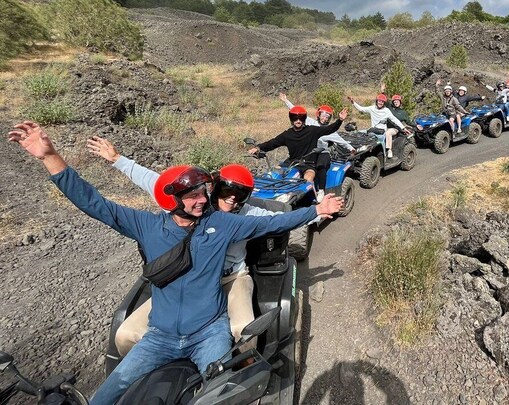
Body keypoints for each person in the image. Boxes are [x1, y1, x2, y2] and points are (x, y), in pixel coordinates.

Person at [8, 121, 343, 405]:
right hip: (159, 337)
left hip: (208, 333)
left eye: (204, 193)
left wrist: (316, 210)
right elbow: (95, 203)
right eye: (195, 196)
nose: (203, 201)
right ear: (173, 201)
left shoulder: (222, 225)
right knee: (104, 399)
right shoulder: (148, 226)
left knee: (228, 394)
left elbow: (273, 224)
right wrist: (51, 157)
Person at [86, 136, 296, 354]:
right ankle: (141, 380)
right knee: (125, 334)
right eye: (226, 190)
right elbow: (153, 181)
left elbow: (278, 218)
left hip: (231, 278)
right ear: (214, 187)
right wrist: (118, 159)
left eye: (241, 194)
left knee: (243, 329)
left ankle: (243, 372)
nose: (232, 198)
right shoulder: (192, 205)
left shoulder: (248, 213)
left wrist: (318, 211)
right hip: (187, 277)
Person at [249, 105, 348, 200]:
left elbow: (329, 129)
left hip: (308, 164)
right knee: (273, 173)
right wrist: (258, 148)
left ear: (304, 119)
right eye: (295, 118)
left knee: (308, 179)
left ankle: (310, 202)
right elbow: (272, 143)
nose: (298, 121)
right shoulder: (287, 134)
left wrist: (340, 120)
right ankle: (267, 196)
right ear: (291, 119)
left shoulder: (312, 130)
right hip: (292, 162)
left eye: (301, 118)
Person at [278, 92, 355, 153]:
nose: (324, 119)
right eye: (323, 116)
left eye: (327, 117)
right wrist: (286, 100)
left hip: (321, 154)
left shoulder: (330, 130)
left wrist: (352, 149)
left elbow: (342, 142)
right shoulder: (311, 122)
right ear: (318, 115)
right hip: (306, 151)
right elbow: (296, 111)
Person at [346, 93, 409, 159]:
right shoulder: (372, 108)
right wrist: (353, 102)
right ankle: (353, 150)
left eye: (382, 102)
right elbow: (361, 109)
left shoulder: (386, 111)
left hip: (382, 132)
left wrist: (403, 128)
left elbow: (394, 119)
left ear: (384, 103)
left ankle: (388, 151)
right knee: (358, 133)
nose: (380, 103)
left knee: (382, 138)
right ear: (377, 101)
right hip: (373, 129)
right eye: (379, 101)